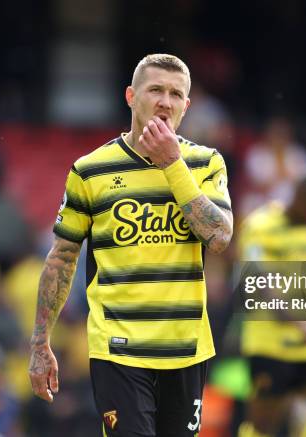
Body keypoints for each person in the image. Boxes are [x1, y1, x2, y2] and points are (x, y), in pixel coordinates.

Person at [28, 54, 233, 437]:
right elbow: (62, 258)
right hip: (118, 348)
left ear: (186, 106)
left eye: (176, 94)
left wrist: (173, 164)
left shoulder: (206, 164)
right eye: (155, 90)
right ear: (130, 96)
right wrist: (41, 342)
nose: (165, 102)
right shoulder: (91, 170)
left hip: (186, 349)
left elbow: (219, 237)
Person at [237, 168, 306, 437]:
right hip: (268, 343)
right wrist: (305, 328)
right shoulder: (259, 226)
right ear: (298, 196)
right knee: (262, 426)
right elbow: (262, 287)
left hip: (305, 343)